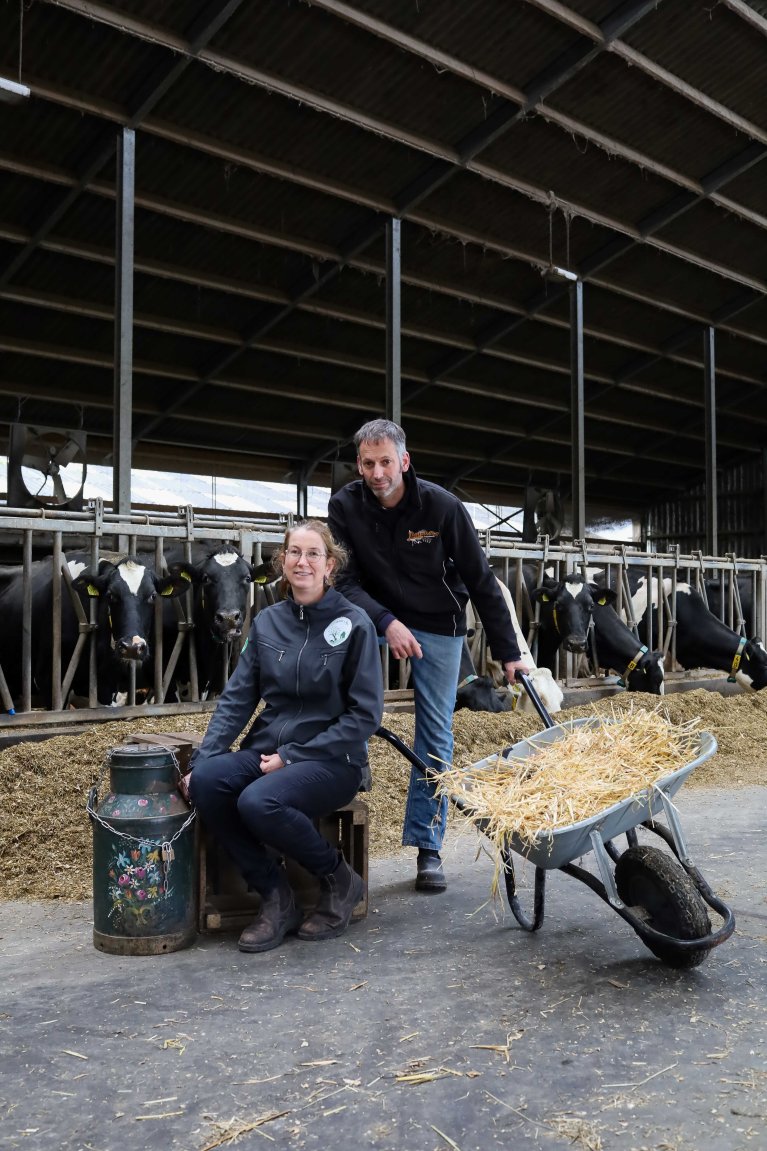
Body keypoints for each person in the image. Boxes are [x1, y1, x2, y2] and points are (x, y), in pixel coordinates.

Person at [328, 419, 528, 893]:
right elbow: (344, 581)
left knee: (435, 731)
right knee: (331, 651)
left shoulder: (442, 507)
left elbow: (481, 580)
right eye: (368, 463)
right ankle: (353, 753)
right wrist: (385, 621)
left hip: (438, 621)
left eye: (386, 462)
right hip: (374, 615)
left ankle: (428, 845)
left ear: (404, 460)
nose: (377, 473)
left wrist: (509, 652)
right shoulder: (345, 506)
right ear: (358, 464)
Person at [188, 520, 383, 953]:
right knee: (207, 782)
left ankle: (339, 879)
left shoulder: (355, 625)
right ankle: (276, 895)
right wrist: (204, 759)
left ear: (329, 566)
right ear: (282, 561)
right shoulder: (268, 623)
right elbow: (237, 699)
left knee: (259, 801)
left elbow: (365, 716)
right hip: (268, 750)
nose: (302, 562)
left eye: (313, 554)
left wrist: (294, 755)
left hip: (334, 760)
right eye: (294, 552)